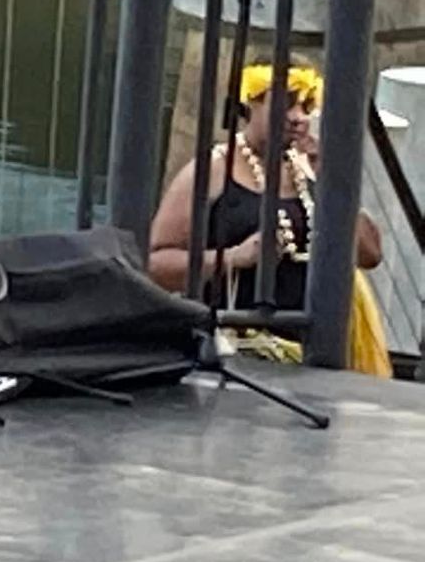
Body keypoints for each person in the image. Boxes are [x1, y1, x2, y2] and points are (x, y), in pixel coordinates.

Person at [149, 62, 385, 367]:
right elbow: (156, 264)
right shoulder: (213, 169)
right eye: (286, 103)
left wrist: (331, 178)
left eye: (306, 106)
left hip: (313, 352)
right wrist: (232, 257)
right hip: (236, 350)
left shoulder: (308, 168)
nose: (298, 117)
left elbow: (370, 255)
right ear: (251, 102)